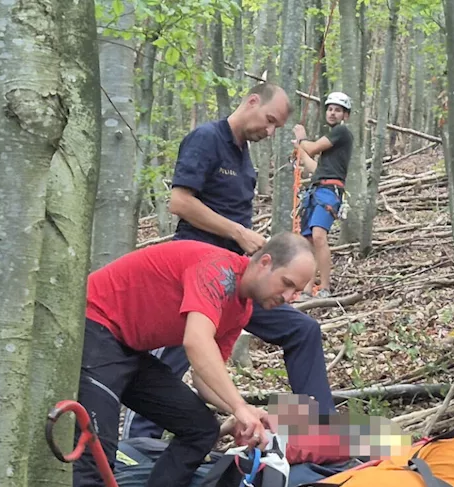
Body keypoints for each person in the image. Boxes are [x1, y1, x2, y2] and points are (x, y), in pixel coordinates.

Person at [123, 83, 337, 441]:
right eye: (269, 121)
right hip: (192, 277)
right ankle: (137, 447)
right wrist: (238, 232)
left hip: (238, 282)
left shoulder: (243, 158)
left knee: (302, 330)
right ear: (252, 102)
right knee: (169, 362)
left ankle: (320, 436)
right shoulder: (206, 139)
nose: (269, 132)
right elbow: (180, 202)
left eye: (276, 128)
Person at [74, 233, 317, 487]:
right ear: (265, 263)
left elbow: (204, 378)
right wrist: (239, 406)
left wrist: (240, 414)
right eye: (288, 284)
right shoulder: (218, 270)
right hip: (94, 325)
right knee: (95, 459)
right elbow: (196, 342)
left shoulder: (241, 309)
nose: (290, 297)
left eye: (297, 291)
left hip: (127, 347)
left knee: (201, 429)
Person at [293, 91, 354, 298]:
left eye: (338, 110)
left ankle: (325, 287)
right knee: (309, 240)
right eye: (330, 109)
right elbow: (314, 168)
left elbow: (313, 148)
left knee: (319, 235)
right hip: (317, 189)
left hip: (330, 191)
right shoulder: (332, 146)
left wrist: (302, 140)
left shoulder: (341, 133)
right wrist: (300, 150)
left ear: (345, 115)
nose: (333, 113)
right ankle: (308, 287)